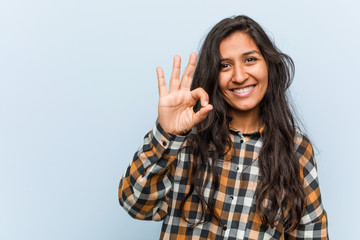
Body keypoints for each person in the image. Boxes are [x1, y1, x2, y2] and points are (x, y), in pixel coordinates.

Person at [118, 15, 328, 239]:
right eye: (225, 65)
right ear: (212, 75)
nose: (239, 76)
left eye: (250, 60)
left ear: (269, 65)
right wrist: (168, 134)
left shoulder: (296, 149)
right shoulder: (184, 138)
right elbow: (135, 205)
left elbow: (311, 234)